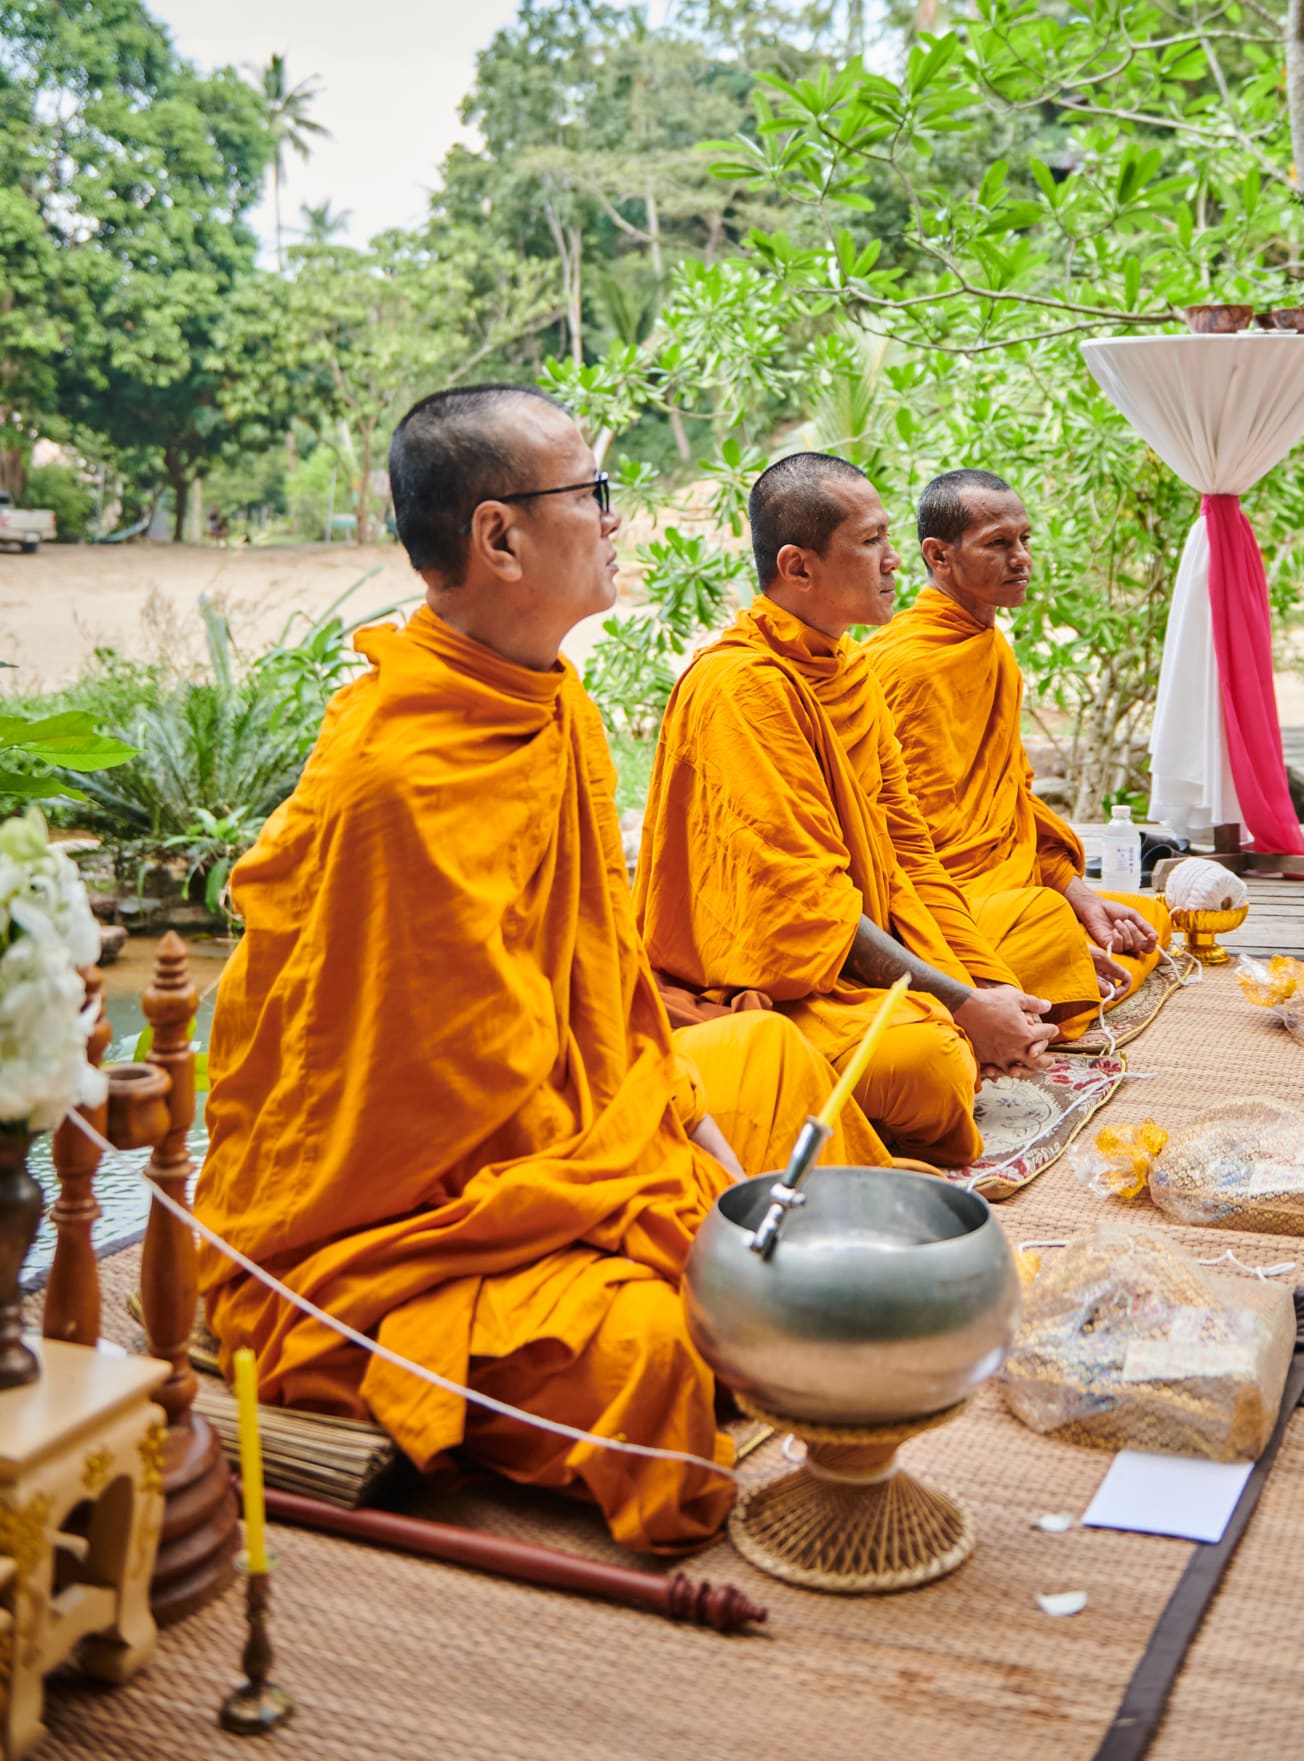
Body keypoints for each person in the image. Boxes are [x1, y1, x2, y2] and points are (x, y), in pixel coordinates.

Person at [196, 386, 888, 1559]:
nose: (618, 521)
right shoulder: (395, 779)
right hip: (412, 1215)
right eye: (593, 493)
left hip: (580, 1135)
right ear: (500, 537)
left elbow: (603, 976)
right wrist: (641, 1188)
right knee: (659, 1361)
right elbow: (442, 1097)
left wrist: (691, 1140)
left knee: (771, 1068)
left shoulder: (553, 705)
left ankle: (792, 1272)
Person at [637, 452, 1059, 1168]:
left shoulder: (849, 672)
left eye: (887, 539)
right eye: (869, 543)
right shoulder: (740, 689)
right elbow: (800, 906)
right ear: (798, 568)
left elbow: (909, 854)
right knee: (927, 1063)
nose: (895, 562)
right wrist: (960, 1006)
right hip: (767, 982)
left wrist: (986, 988)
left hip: (858, 963)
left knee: (1017, 981)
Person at [869, 470, 1173, 1000]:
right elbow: (896, 842)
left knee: (1149, 917)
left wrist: (1080, 895)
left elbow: (1010, 802)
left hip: (1006, 884)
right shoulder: (906, 665)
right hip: (935, 904)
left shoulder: (991, 648)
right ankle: (1028, 974)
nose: (1022, 558)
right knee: (1047, 923)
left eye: (1025, 540)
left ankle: (1061, 963)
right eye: (998, 543)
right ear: (939, 556)